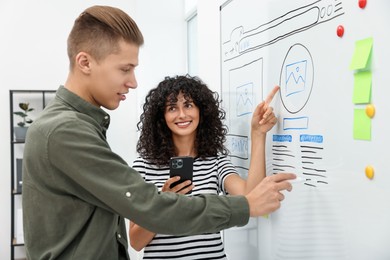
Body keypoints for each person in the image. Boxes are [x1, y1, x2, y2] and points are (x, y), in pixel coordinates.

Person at [22, 5, 296, 260]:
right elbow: (150, 211)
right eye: (125, 69)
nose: (132, 82)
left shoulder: (78, 126)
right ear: (85, 63)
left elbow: (249, 193)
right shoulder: (65, 131)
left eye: (189, 106)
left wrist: (257, 137)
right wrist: (243, 207)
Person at [129, 75, 280, 259]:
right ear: (162, 117)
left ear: (202, 111)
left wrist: (257, 134)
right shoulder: (143, 166)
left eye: (188, 105)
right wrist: (164, 203)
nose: (182, 114)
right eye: (172, 108)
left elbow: (252, 197)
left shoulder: (215, 162)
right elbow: (136, 242)